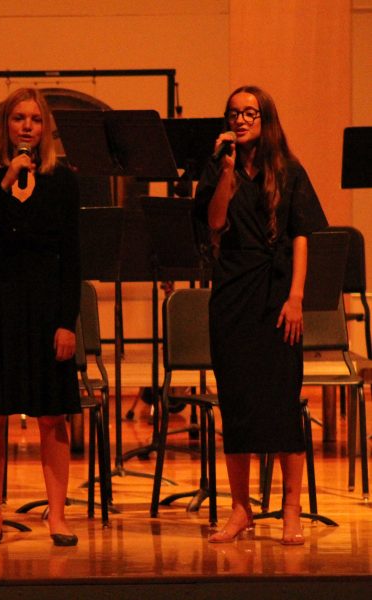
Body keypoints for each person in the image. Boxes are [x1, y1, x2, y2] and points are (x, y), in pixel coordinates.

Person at [195, 86, 328, 545]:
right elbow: (213, 224)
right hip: (231, 295)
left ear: (265, 117)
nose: (241, 119)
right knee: (237, 405)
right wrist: (226, 172)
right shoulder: (218, 166)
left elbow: (302, 237)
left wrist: (296, 297)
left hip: (277, 295)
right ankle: (240, 509)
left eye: (249, 112)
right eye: (233, 112)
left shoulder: (289, 171)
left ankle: (291, 510)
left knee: (282, 405)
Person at [0, 87, 81, 547]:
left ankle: (57, 516)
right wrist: (7, 179)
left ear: (45, 127)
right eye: (18, 119)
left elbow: (71, 257)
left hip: (47, 306)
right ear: (6, 127)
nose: (27, 126)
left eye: (34, 119)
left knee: (52, 414)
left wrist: (67, 321)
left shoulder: (63, 181)